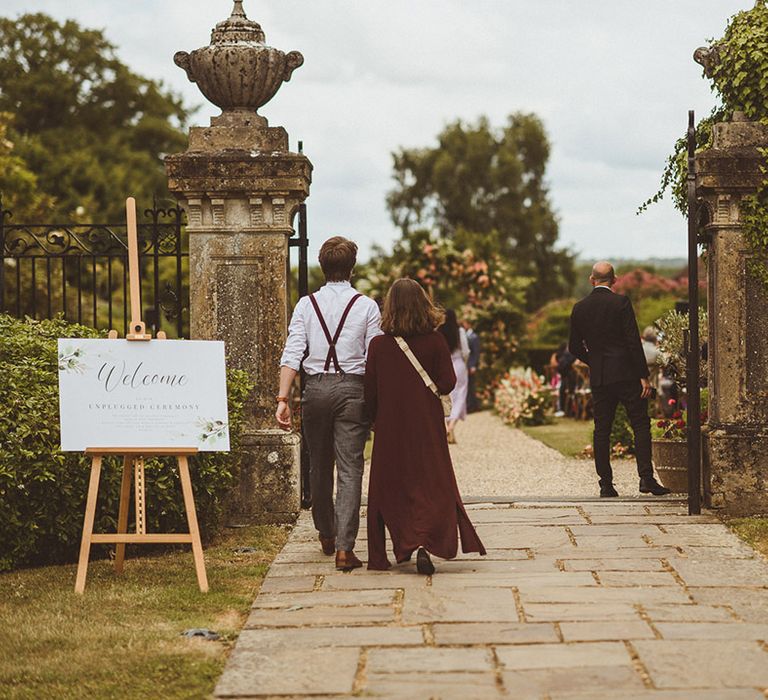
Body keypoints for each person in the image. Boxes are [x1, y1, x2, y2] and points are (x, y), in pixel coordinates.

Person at [364, 279, 486, 574]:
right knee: (430, 481)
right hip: (427, 424)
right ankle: (425, 540)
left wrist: (373, 421)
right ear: (424, 305)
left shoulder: (379, 345)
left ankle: (401, 543)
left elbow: (370, 392)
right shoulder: (435, 342)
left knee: (390, 485)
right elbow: (447, 383)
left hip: (391, 426)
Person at [275, 236, 382, 571]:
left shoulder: (306, 305)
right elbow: (375, 357)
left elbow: (293, 352)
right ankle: (345, 550)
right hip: (353, 390)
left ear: (322, 267)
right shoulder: (366, 306)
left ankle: (326, 532)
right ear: (351, 268)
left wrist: (282, 398)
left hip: (316, 389)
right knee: (350, 468)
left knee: (318, 465)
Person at [568, 261, 670, 497]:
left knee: (602, 429)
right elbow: (632, 342)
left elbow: (574, 347)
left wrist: (594, 360)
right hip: (626, 374)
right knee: (640, 424)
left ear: (592, 280)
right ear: (614, 280)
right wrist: (643, 376)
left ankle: (606, 484)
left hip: (601, 376)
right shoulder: (621, 303)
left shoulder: (579, 308)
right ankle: (646, 478)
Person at [439, 309, 469, 444]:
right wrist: (464, 361)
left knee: (446, 396)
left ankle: (446, 425)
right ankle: (451, 426)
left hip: (444, 365)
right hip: (458, 364)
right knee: (460, 395)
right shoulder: (460, 331)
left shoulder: (439, 331)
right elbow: (466, 351)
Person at [462, 319, 481, 413]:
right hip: (466, 364)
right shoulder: (466, 335)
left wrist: (473, 365)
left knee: (471, 385)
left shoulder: (474, 337)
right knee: (469, 385)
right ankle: (472, 405)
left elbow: (476, 353)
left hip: (471, 364)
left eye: (465, 323)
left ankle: (473, 406)